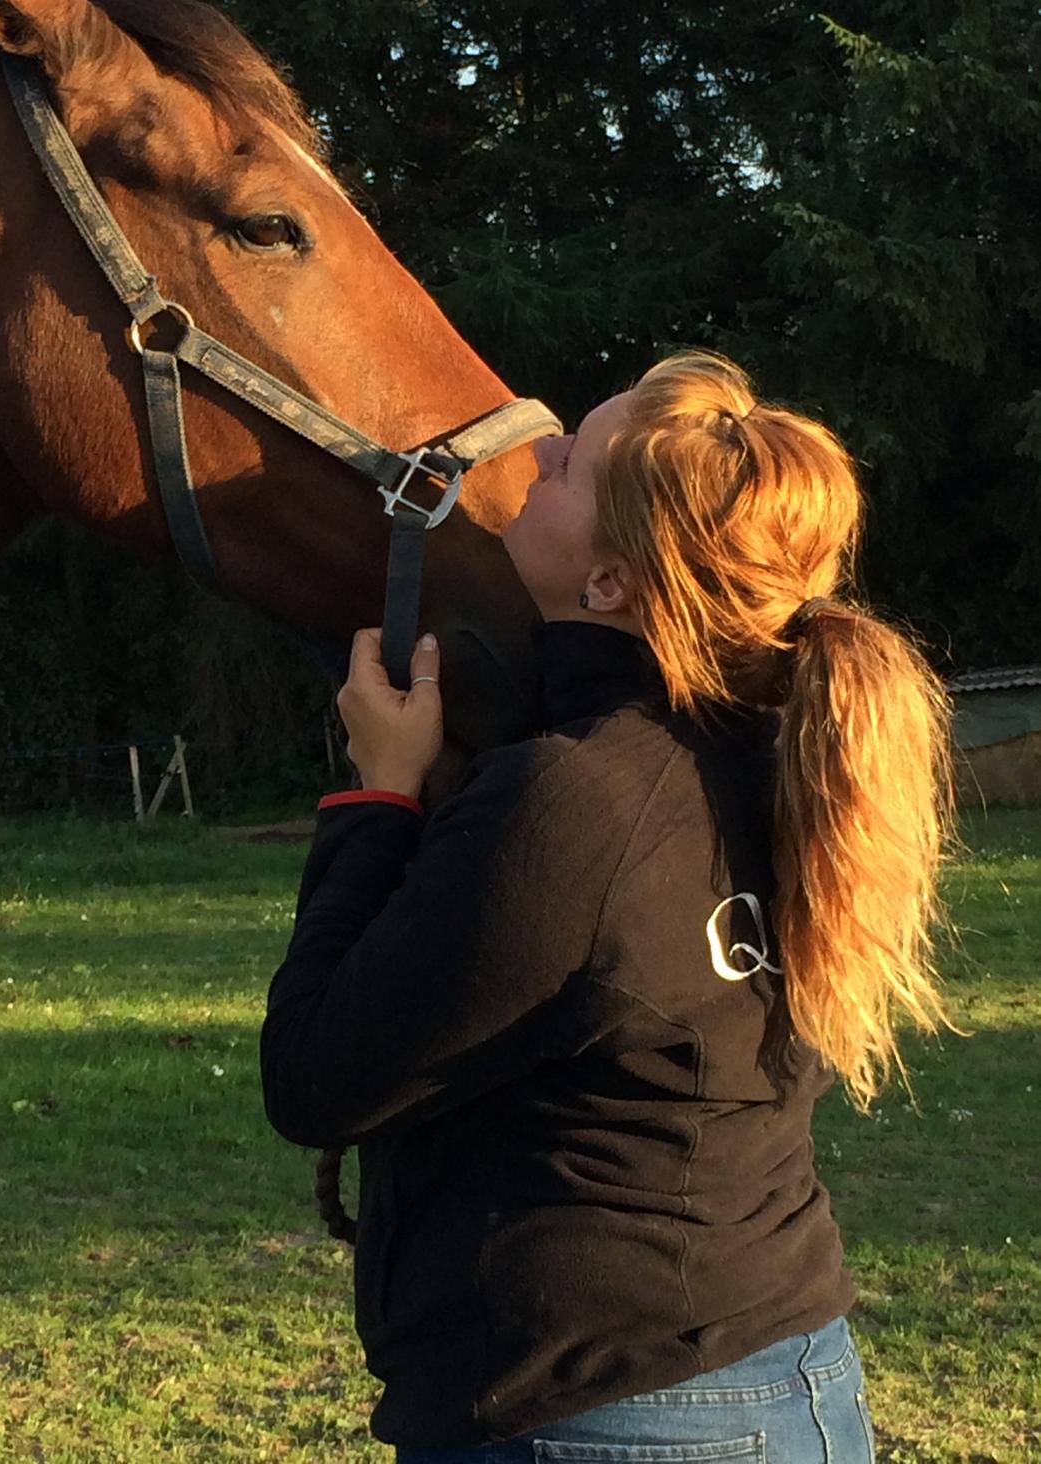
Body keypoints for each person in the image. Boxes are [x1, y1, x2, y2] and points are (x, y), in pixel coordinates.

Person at [260, 350, 951, 1462]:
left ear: (608, 586)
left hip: (605, 1414)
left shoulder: (574, 801)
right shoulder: (781, 759)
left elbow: (313, 1077)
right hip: (781, 1376)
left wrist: (377, 796)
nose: (534, 457)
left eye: (570, 463)